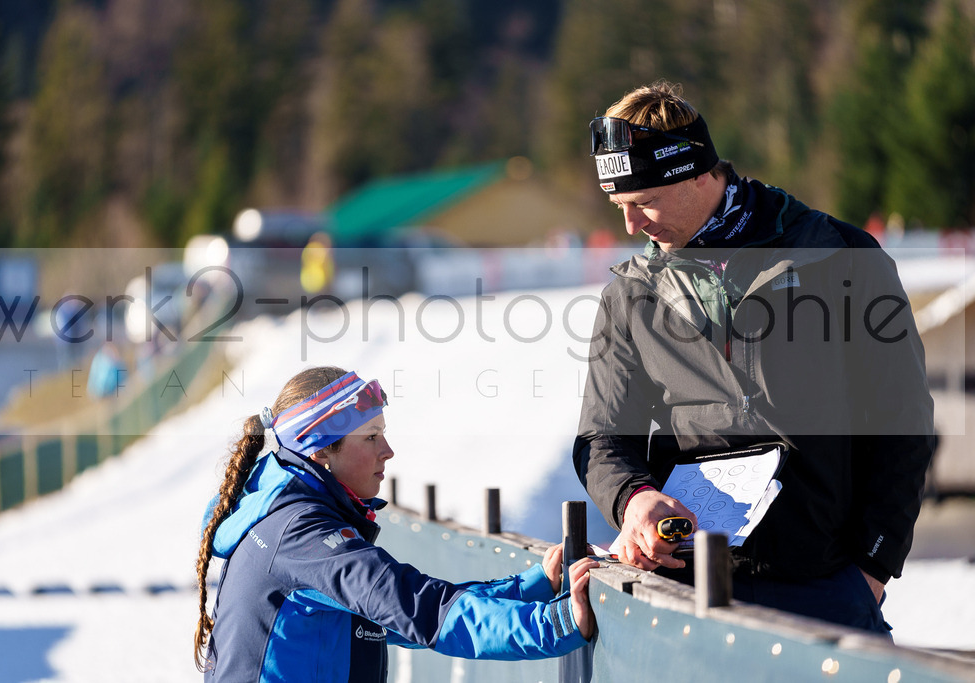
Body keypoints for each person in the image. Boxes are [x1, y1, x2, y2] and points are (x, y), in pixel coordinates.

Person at [573, 80, 935, 634]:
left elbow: (903, 419)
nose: (631, 226)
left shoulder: (841, 256)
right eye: (620, 206)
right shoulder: (630, 295)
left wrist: (874, 564)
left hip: (825, 584)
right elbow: (602, 438)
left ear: (696, 173)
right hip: (686, 587)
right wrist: (633, 500)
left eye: (644, 202)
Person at [195, 366, 597, 681]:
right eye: (370, 437)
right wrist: (555, 624)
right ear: (321, 451)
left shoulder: (289, 514)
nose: (387, 451)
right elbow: (417, 608)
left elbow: (402, 613)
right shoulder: (302, 533)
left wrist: (534, 587)